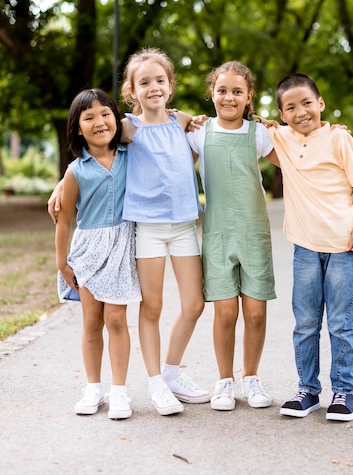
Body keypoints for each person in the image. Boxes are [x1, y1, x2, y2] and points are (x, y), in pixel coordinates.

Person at [268, 73, 353, 422]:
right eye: (291, 107)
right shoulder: (280, 137)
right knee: (306, 322)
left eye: (307, 102)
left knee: (341, 323)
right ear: (282, 114)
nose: (301, 111)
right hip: (305, 248)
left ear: (321, 103)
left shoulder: (339, 138)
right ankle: (307, 390)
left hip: (342, 245)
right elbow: (245, 124)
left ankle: (343, 391)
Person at [119, 48, 210, 415]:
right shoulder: (127, 126)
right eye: (144, 82)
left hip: (185, 225)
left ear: (170, 86)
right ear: (132, 91)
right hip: (149, 228)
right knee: (152, 306)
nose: (153, 87)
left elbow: (212, 136)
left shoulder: (182, 121)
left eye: (159, 80)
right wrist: (65, 182)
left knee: (194, 304)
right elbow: (93, 149)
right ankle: (156, 383)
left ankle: (171, 373)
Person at [187, 61, 279, 411]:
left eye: (237, 91)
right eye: (222, 90)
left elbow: (296, 160)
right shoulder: (198, 133)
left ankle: (251, 377)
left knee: (255, 312)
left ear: (249, 97)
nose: (229, 97)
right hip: (218, 232)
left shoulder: (259, 134)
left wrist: (327, 131)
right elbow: (169, 161)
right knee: (225, 312)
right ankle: (224, 380)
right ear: (212, 93)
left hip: (254, 232)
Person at [55, 89, 141, 420]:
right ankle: (93, 387)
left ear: (115, 118)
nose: (98, 122)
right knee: (92, 321)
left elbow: (147, 122)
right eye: (87, 117)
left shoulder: (131, 154)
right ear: (77, 129)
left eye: (105, 114)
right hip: (88, 250)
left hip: (122, 244)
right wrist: (62, 262)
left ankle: (119, 391)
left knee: (116, 319)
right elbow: (64, 220)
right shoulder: (76, 171)